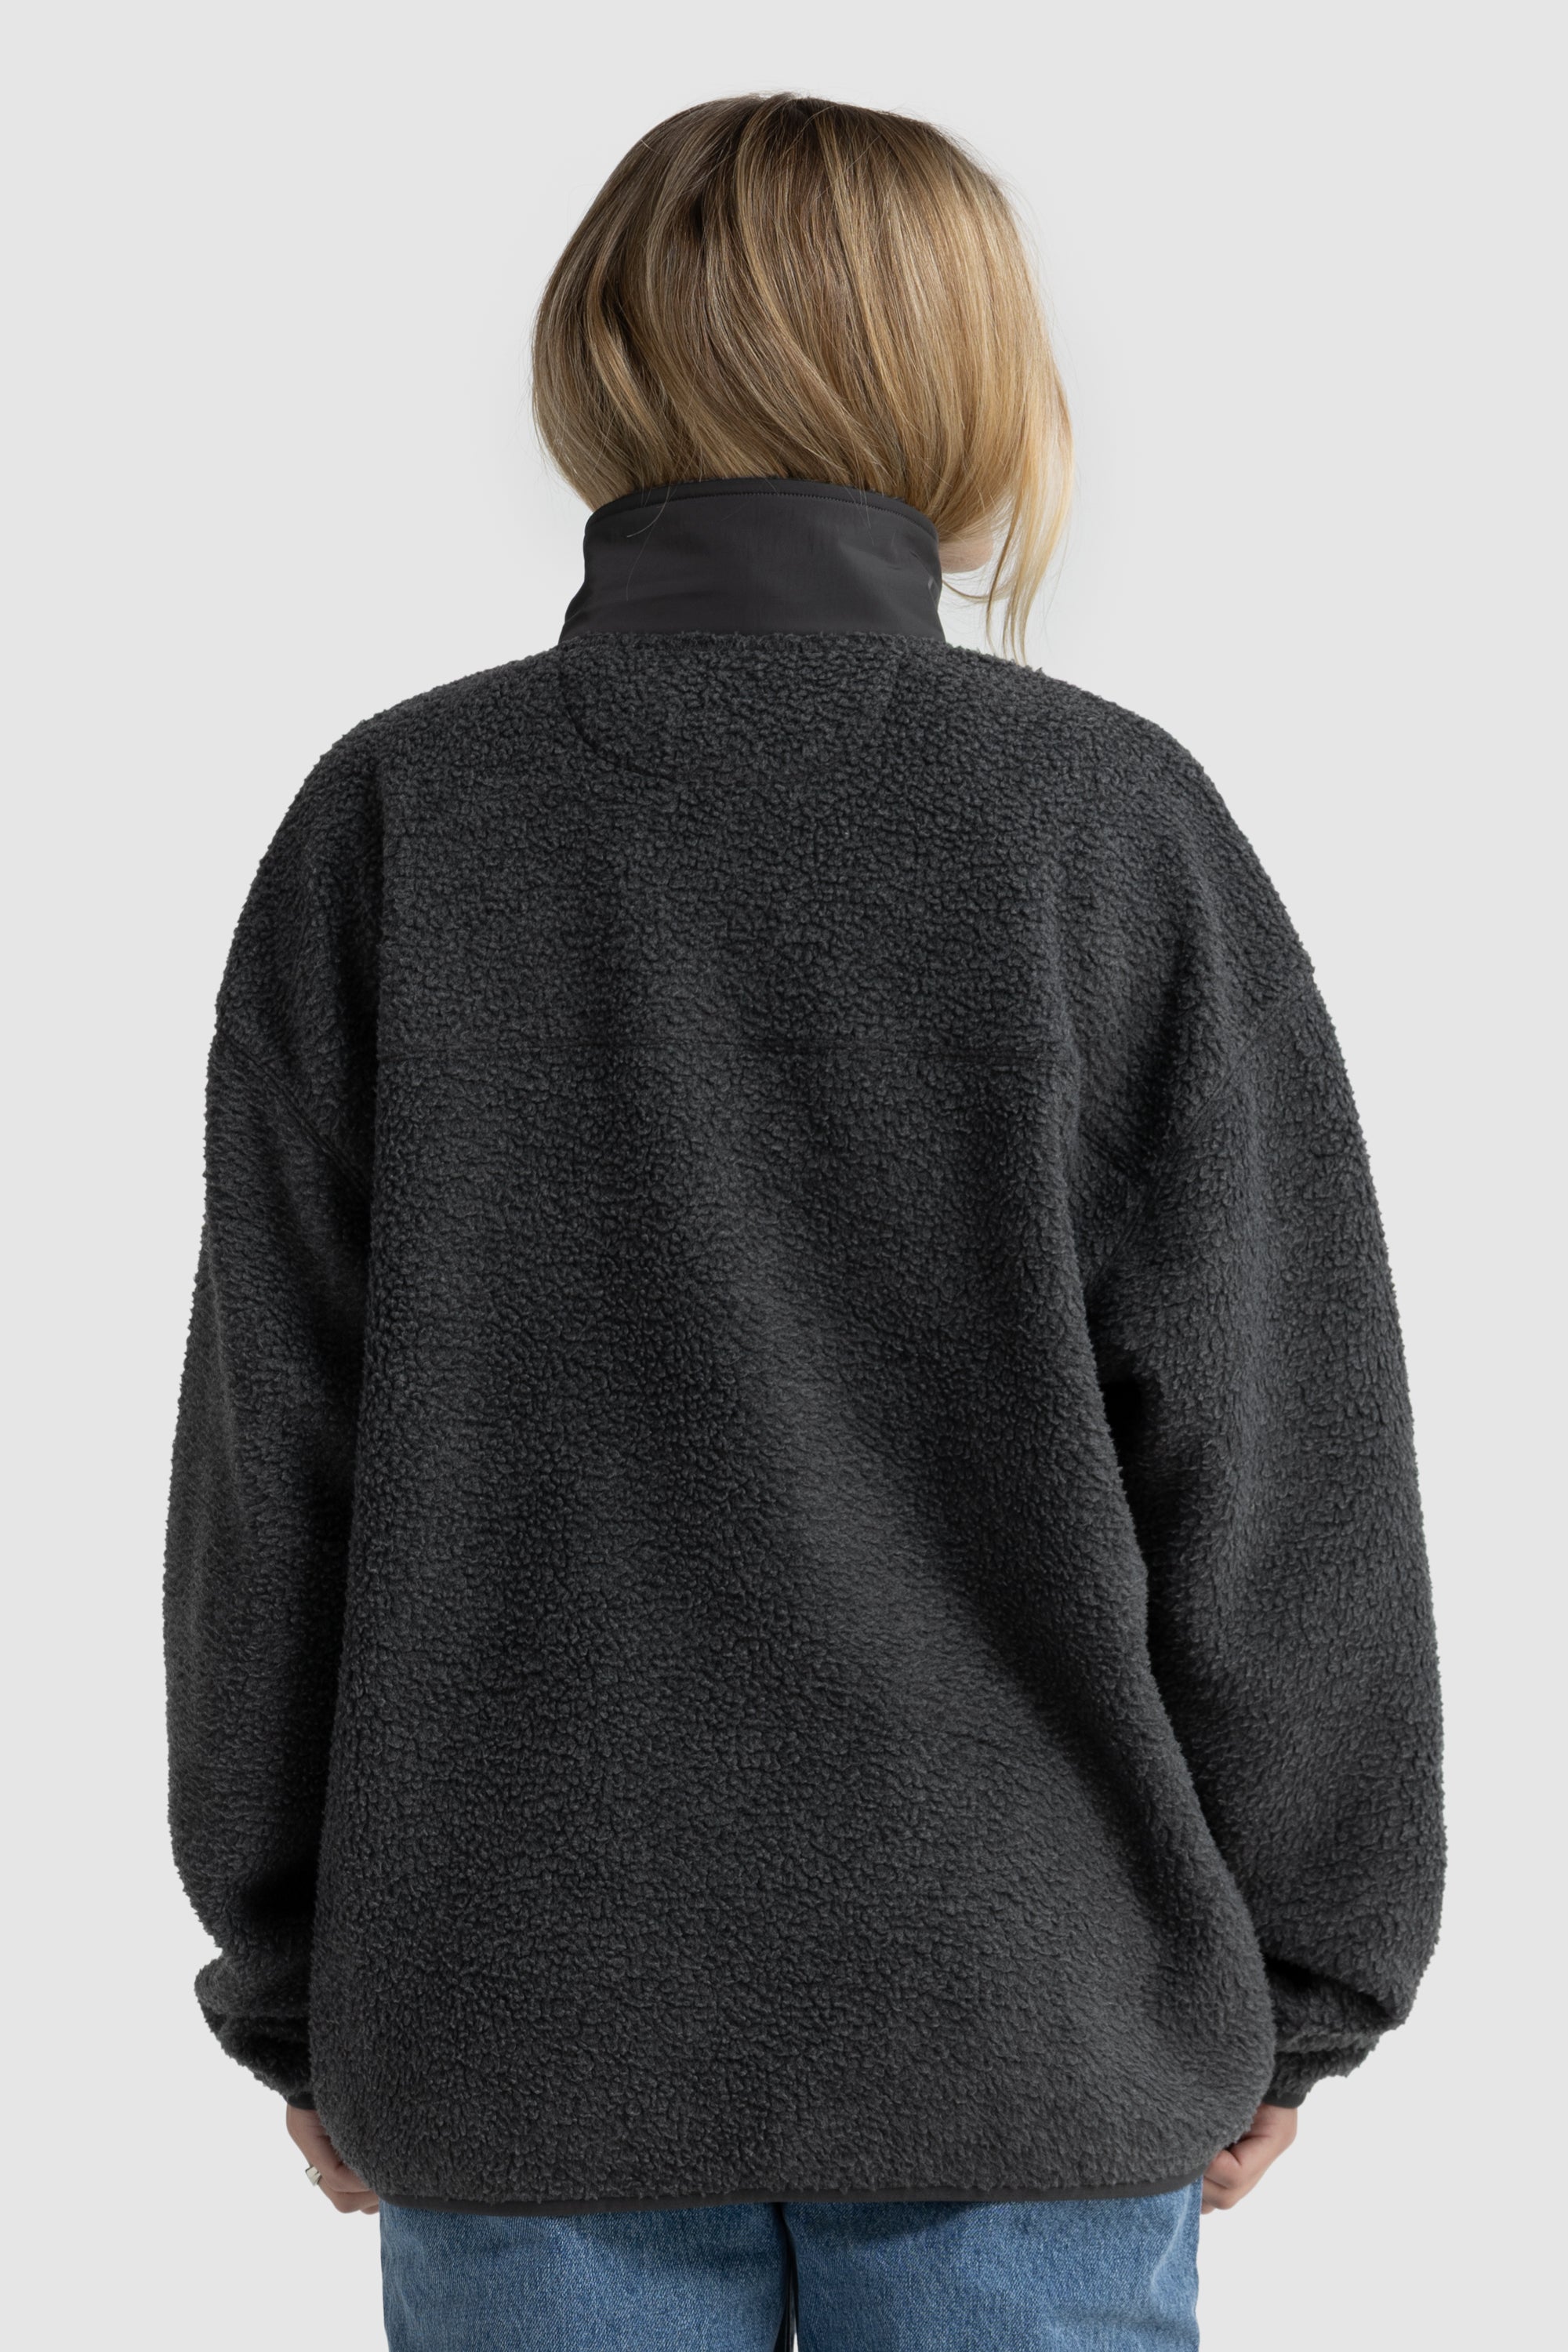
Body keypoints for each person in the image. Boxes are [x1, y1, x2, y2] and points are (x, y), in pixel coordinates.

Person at [162, 93, 1445, 2351]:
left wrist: (300, 1980)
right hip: (1026, 2023)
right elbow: (1281, 1462)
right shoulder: (1098, 823)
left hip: (522, 2021)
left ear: (596, 361)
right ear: (975, 382)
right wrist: (1312, 1970)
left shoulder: (399, 822)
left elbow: (279, 1477)